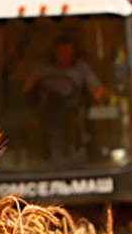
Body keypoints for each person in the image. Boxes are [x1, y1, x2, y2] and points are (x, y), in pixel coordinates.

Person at [21, 35, 107, 166]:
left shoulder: (81, 67)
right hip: (46, 110)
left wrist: (96, 97)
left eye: (69, 52)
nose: (66, 56)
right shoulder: (43, 67)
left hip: (74, 110)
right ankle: (45, 156)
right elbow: (27, 87)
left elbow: (97, 89)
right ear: (55, 52)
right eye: (62, 52)